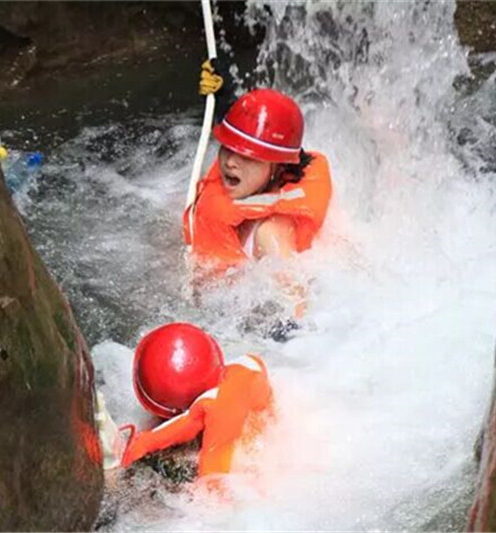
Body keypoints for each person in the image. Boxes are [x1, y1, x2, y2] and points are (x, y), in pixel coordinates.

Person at [184, 62, 334, 274]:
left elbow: (298, 302)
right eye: (227, 148)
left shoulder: (272, 233)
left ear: (277, 165)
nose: (229, 162)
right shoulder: (253, 180)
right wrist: (222, 101)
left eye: (247, 156)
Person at [120, 322, 273, 478]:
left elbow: (214, 484)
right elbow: (188, 422)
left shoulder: (217, 413)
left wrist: (138, 447)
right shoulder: (248, 364)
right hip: (268, 436)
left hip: (256, 461)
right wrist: (144, 443)